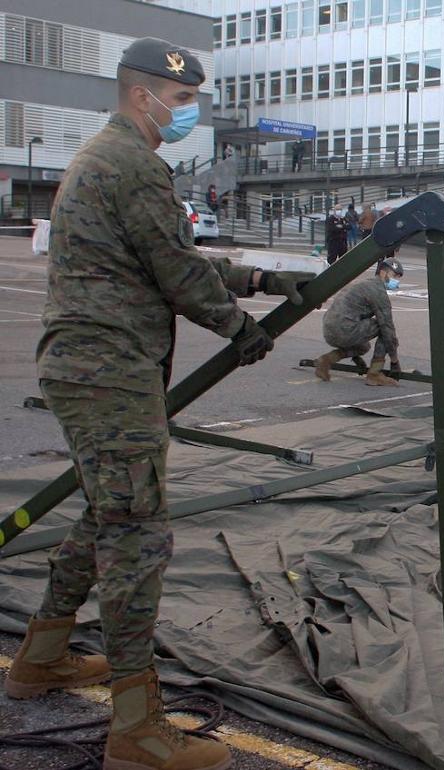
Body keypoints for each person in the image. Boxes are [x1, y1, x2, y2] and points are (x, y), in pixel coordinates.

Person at [3, 38, 313, 770]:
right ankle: (136, 728)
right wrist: (240, 329)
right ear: (143, 96)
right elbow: (176, 269)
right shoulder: (132, 165)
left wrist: (262, 283)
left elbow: (158, 255)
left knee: (107, 511)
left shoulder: (105, 160)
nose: (185, 116)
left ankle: (40, 658)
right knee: (138, 534)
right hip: (108, 371)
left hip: (94, 367)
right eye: (179, 102)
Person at [313, 258, 404, 386]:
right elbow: (388, 328)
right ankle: (374, 374)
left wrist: (355, 356)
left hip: (329, 330)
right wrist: (394, 361)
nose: (396, 281)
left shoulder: (362, 284)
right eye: (394, 276)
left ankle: (326, 360)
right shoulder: (378, 292)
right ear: (383, 273)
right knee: (383, 328)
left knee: (363, 347)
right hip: (344, 330)